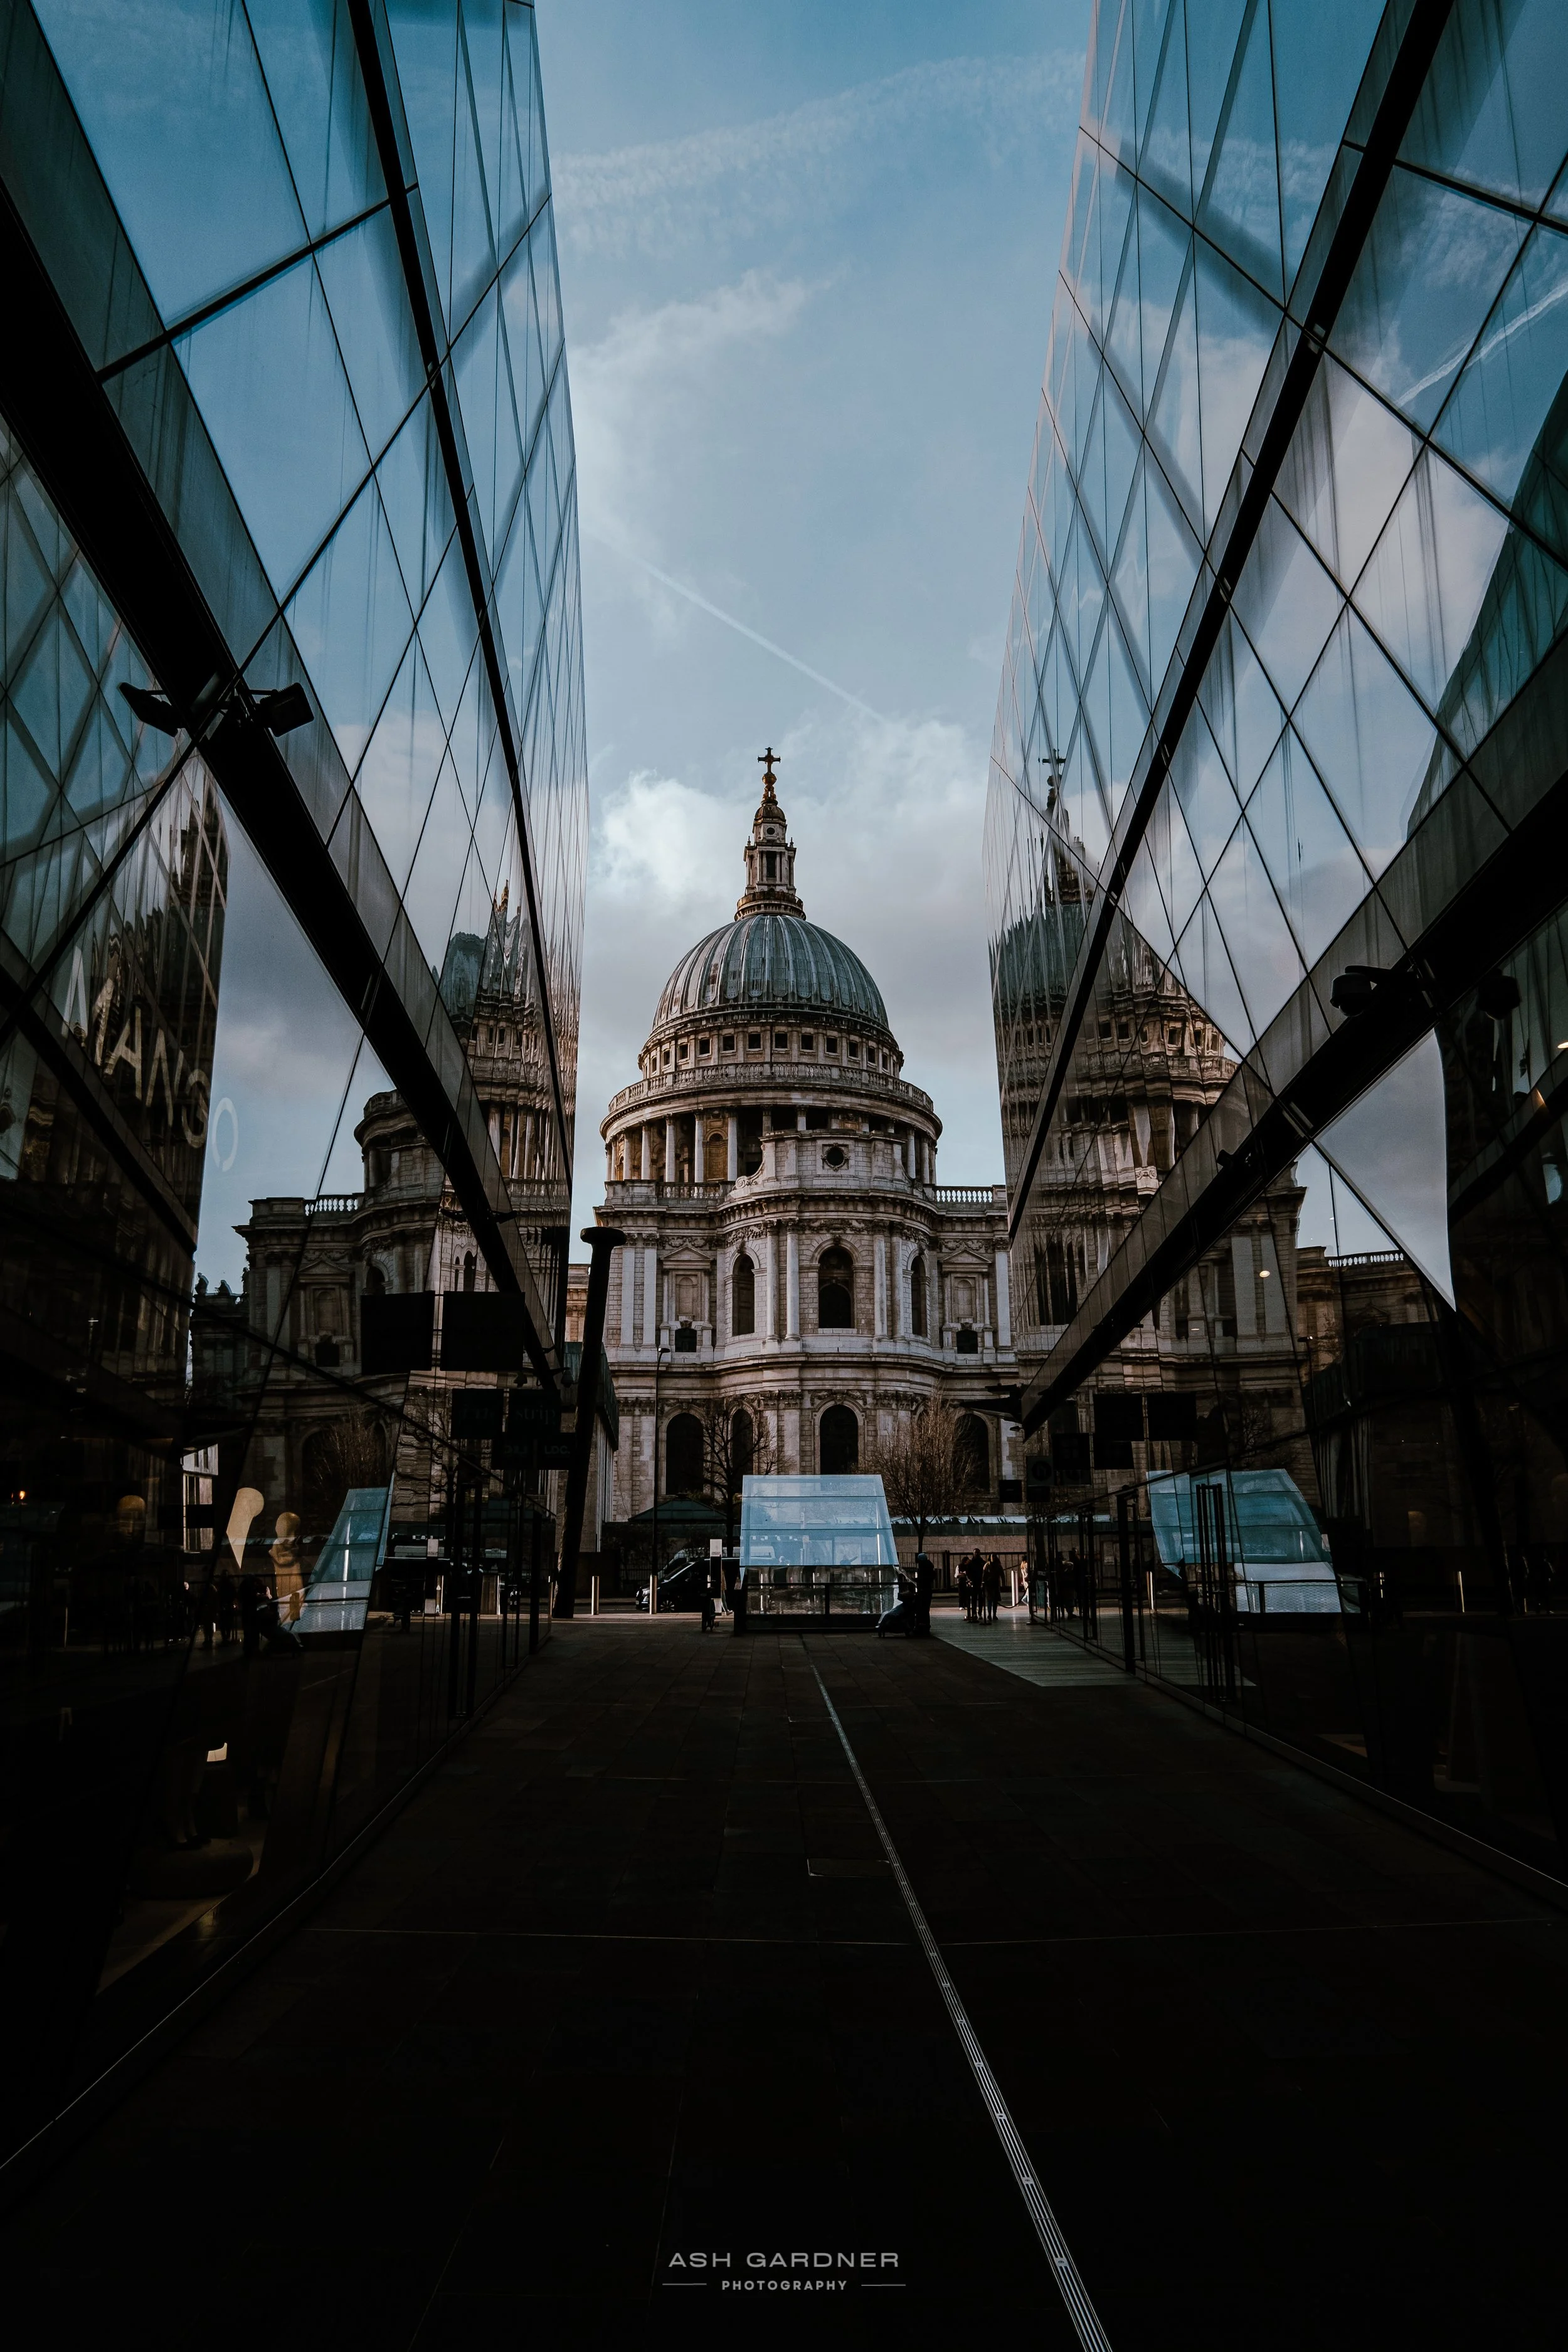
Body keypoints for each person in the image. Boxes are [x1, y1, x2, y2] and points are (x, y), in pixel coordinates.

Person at [914, 1550, 934, 1638]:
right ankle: (926, 1627)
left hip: (923, 1590)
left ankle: (922, 1627)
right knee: (926, 1610)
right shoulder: (929, 1566)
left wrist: (916, 1580)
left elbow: (923, 1579)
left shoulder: (923, 1568)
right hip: (927, 1590)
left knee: (922, 1609)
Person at [699, 1557, 716, 1634]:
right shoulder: (710, 1568)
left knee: (705, 1607)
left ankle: (706, 1620)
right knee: (708, 1606)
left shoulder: (702, 1567)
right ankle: (710, 1620)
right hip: (706, 1591)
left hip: (703, 1590)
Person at [983, 1553, 1001, 1624]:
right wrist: (983, 1583)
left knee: (995, 1601)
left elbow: (1002, 1575)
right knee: (990, 1601)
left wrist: (1003, 1584)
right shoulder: (987, 1565)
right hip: (989, 1585)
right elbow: (984, 1575)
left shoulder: (998, 1566)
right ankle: (990, 1615)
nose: (993, 1557)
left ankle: (994, 1615)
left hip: (996, 1585)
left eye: (994, 1556)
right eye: (992, 1556)